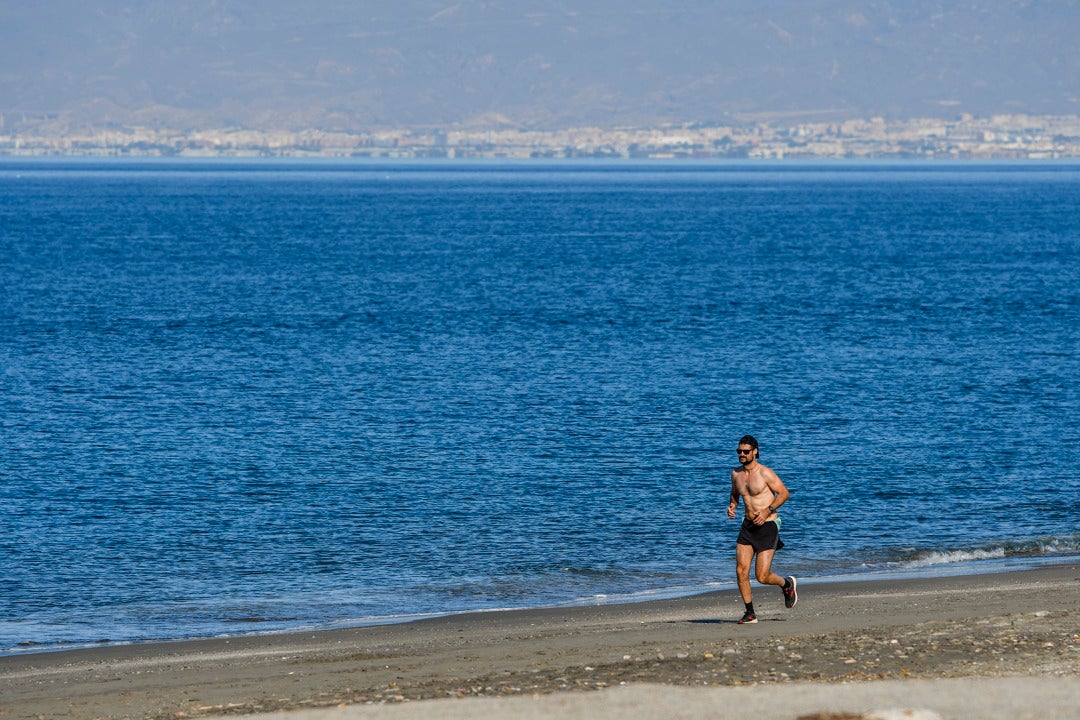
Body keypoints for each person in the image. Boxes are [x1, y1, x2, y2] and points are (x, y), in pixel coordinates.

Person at [726, 435, 797, 624]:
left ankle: (786, 584)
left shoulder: (765, 473)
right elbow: (735, 494)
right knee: (741, 571)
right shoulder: (736, 474)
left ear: (755, 452)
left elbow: (784, 493)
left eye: (746, 451)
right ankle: (750, 613)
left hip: (768, 525)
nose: (741, 454)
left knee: (762, 576)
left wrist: (767, 511)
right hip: (747, 525)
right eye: (739, 451)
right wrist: (732, 505)